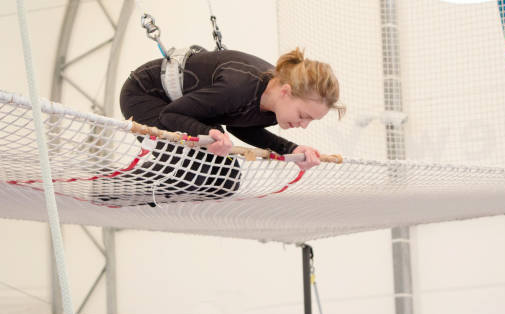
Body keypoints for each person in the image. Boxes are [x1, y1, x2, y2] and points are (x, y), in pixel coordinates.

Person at [115, 46, 344, 206]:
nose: (303, 125)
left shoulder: (275, 105)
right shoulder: (238, 88)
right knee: (193, 172)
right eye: (304, 115)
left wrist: (292, 150)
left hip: (187, 106)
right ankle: (112, 187)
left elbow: (241, 125)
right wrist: (206, 132)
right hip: (146, 96)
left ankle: (162, 191)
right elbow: (170, 115)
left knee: (226, 180)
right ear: (286, 92)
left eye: (310, 120)